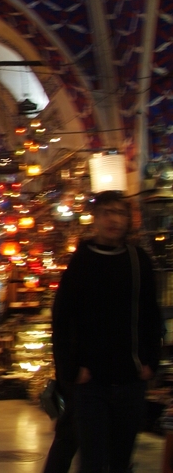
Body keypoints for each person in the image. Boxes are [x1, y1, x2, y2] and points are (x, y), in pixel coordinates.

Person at [52, 191, 163, 473]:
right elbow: (62, 320)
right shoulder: (82, 262)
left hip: (131, 378)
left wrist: (151, 360)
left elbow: (151, 312)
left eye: (120, 213)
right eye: (107, 213)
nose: (114, 219)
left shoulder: (138, 260)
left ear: (128, 219)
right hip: (92, 382)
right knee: (92, 459)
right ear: (96, 219)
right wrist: (71, 368)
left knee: (121, 459)